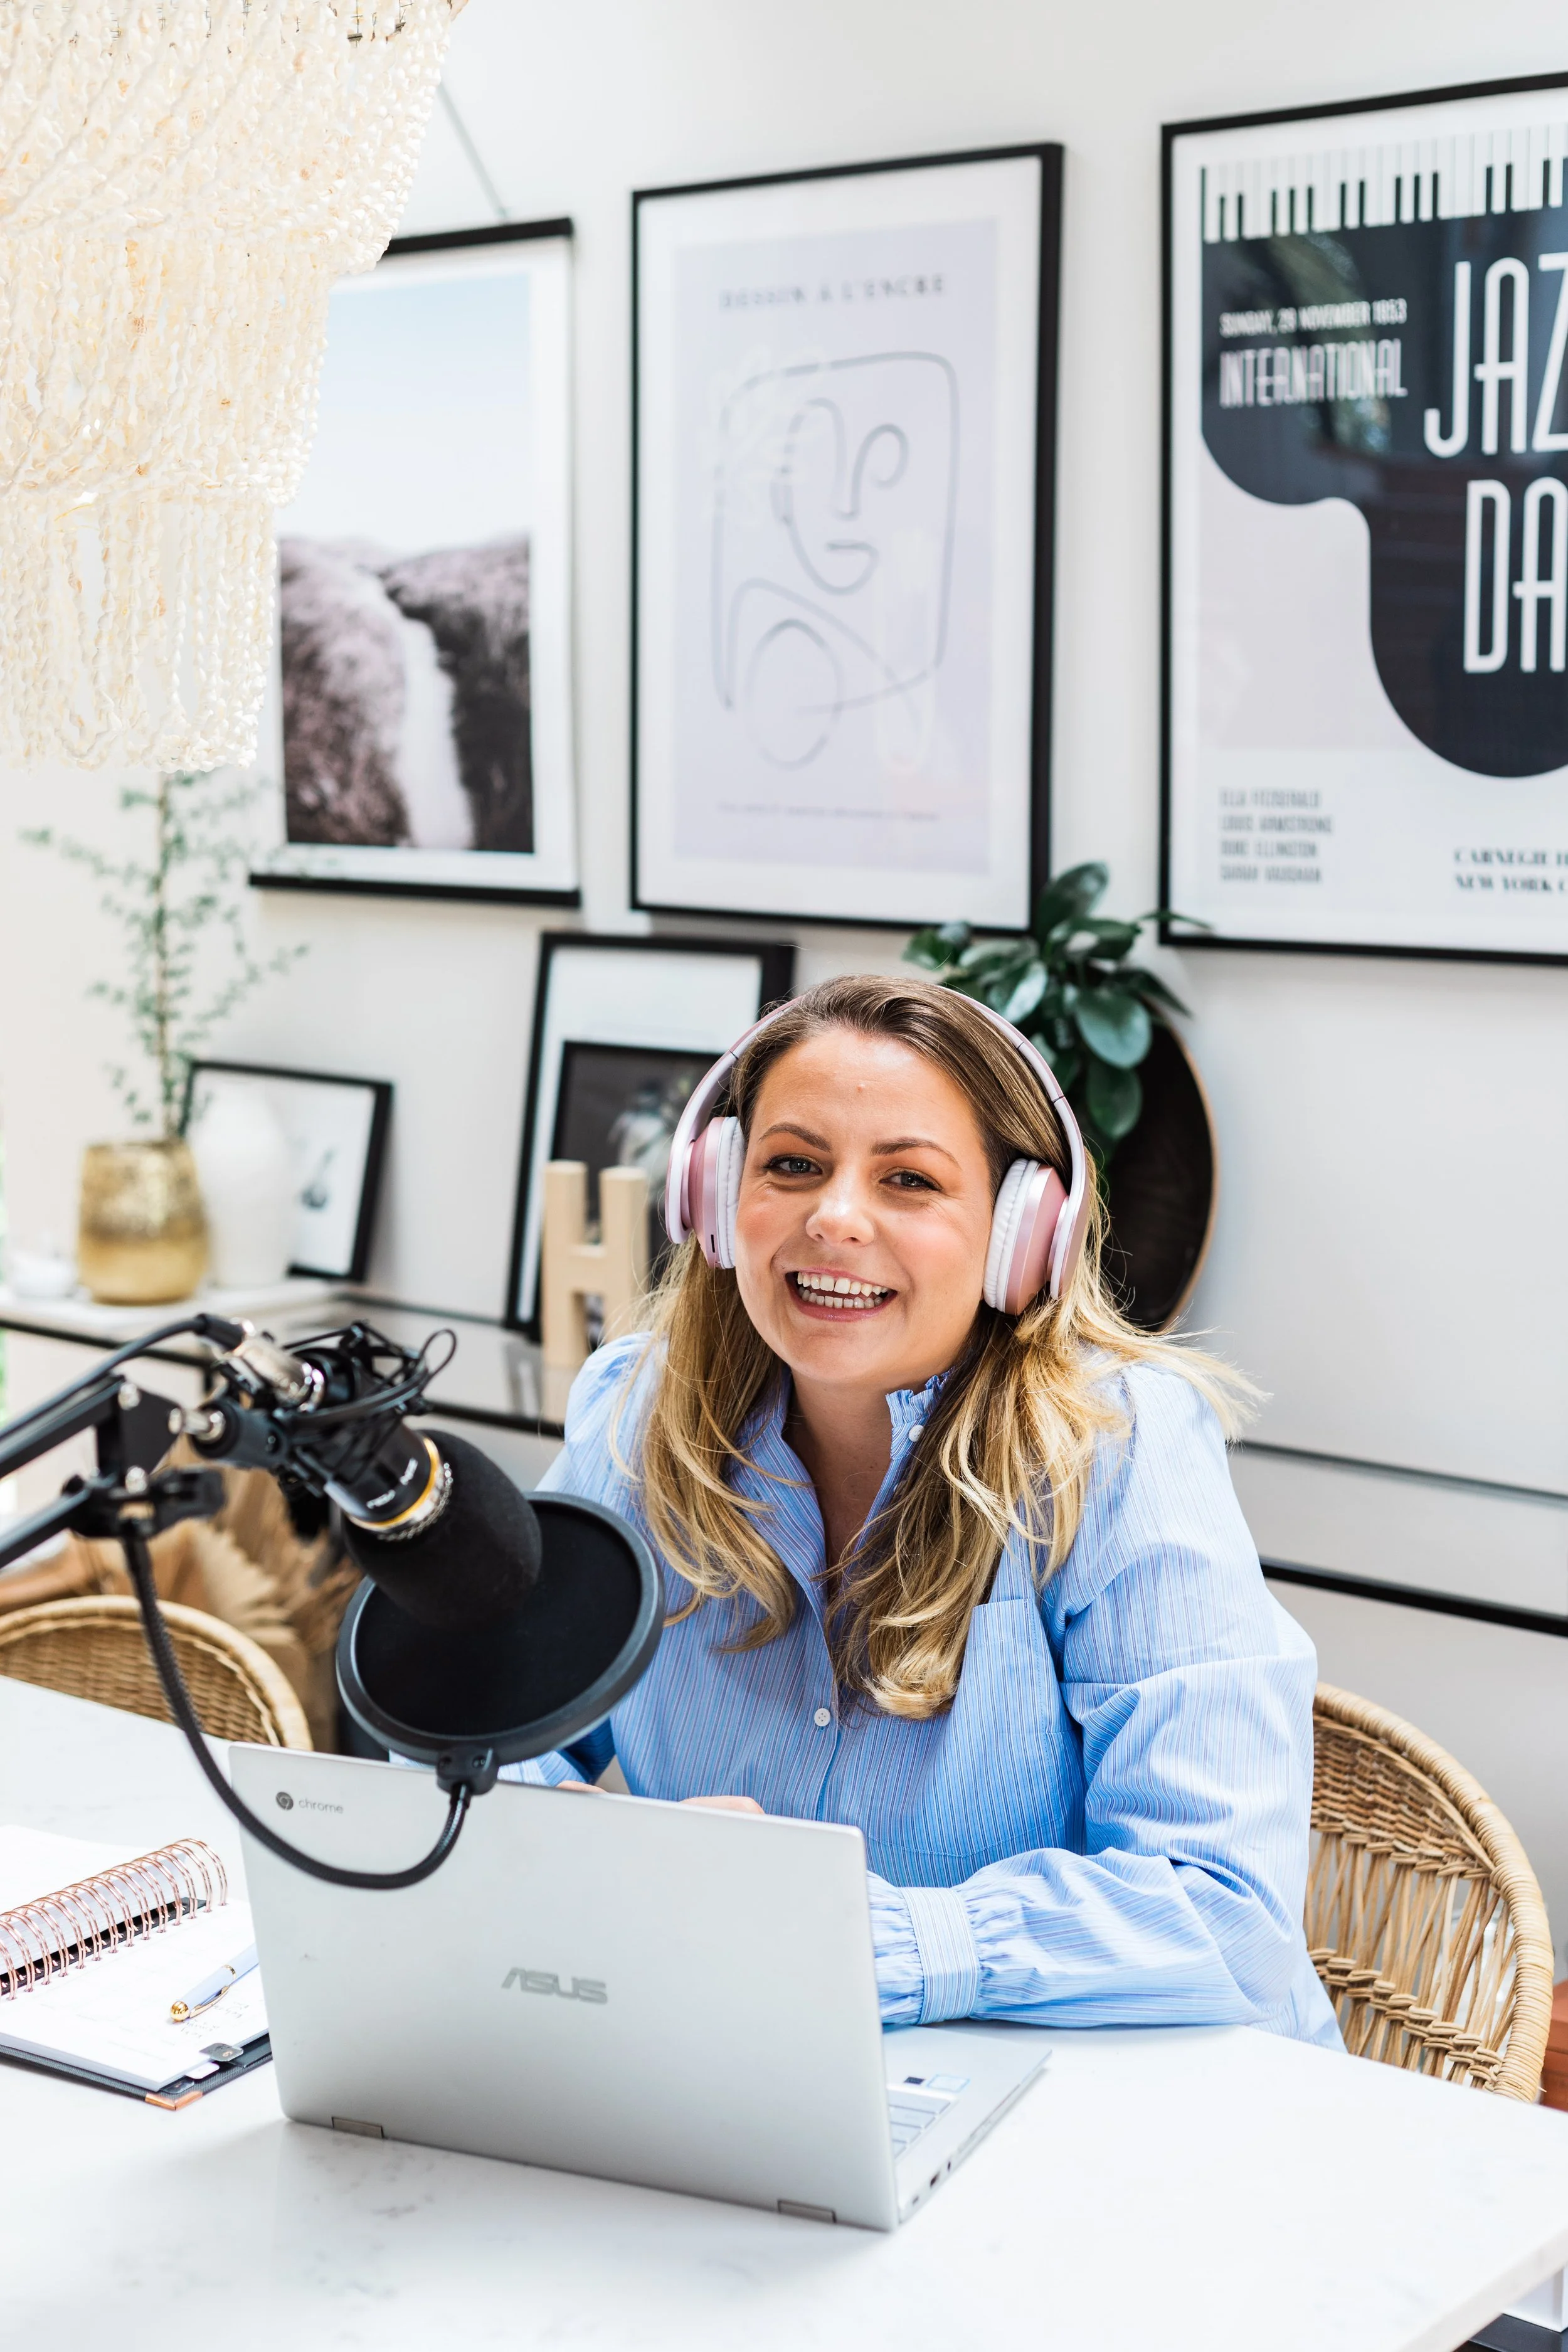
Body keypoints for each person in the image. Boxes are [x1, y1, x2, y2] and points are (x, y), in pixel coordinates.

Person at [522, 973, 1342, 2048]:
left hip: (1137, 2104)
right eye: (792, 1165)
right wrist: (614, 1860)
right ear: (717, 1199)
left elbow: (1221, 1910)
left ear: (1020, 1236)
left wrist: (851, 1936)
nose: (834, 1216)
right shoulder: (636, 1415)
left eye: (909, 1179)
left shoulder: (1119, 1448)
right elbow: (496, 1749)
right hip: (770, 2066)